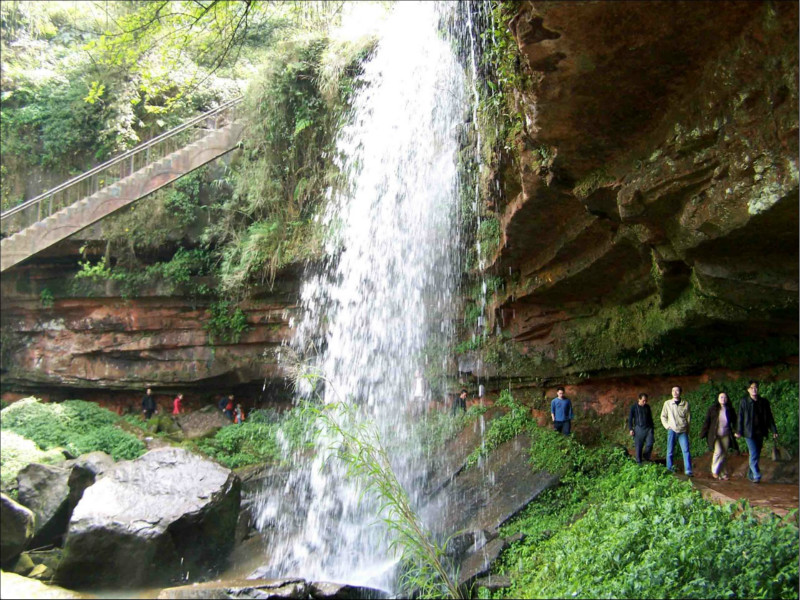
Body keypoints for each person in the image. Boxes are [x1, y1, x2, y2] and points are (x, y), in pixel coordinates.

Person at [735, 380, 778, 484]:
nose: (754, 389)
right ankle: (757, 475)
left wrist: (774, 430)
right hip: (748, 432)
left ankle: (751, 474)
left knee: (756, 454)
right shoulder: (744, 401)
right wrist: (739, 430)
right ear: (748, 390)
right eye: (751, 388)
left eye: (756, 387)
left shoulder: (764, 402)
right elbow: (740, 416)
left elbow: (769, 417)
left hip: (760, 432)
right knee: (753, 453)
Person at [699, 392, 739, 480]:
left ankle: (723, 474)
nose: (723, 399)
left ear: (727, 399)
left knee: (724, 454)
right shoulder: (713, 409)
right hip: (715, 435)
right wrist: (703, 433)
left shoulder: (730, 410)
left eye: (725, 397)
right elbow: (707, 422)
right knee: (718, 451)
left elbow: (735, 421)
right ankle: (714, 471)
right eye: (721, 397)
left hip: (726, 434)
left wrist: (737, 431)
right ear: (717, 398)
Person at [660, 385, 693, 476]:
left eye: (677, 391)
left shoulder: (685, 404)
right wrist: (667, 426)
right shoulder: (667, 403)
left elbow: (688, 418)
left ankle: (688, 470)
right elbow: (663, 416)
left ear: (680, 392)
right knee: (670, 451)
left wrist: (687, 429)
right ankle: (669, 469)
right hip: (672, 430)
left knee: (686, 450)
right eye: (673, 390)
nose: (675, 392)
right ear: (671, 392)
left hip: (683, 431)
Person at [627, 393, 654, 464]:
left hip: (648, 428)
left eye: (646, 401)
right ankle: (639, 462)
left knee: (650, 443)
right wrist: (631, 429)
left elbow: (650, 418)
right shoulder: (634, 407)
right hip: (639, 428)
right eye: (643, 401)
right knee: (639, 446)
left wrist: (652, 428)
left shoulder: (647, 407)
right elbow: (630, 419)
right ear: (639, 399)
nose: (644, 402)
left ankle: (646, 457)